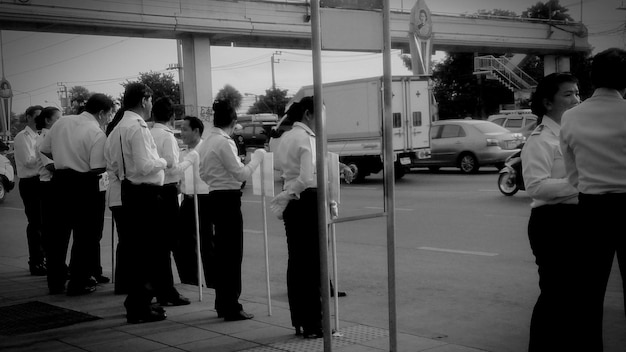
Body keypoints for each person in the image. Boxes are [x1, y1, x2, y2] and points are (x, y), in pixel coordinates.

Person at [560, 47, 626, 351]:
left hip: (591, 209)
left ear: (591, 78)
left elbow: (571, 172)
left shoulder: (571, 117)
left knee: (589, 293)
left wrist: (590, 187)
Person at [271, 97, 353, 339]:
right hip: (307, 202)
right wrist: (290, 193)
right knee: (313, 265)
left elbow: (287, 165)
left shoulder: (287, 137)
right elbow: (307, 177)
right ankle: (315, 325)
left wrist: (287, 193)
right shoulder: (306, 138)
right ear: (308, 114)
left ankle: (300, 322)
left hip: (295, 206)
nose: (324, 120)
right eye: (322, 114)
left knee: (297, 263)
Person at [520, 73, 581, 352]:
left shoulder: (575, 134)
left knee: (574, 300)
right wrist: (580, 186)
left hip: (577, 222)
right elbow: (536, 187)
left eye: (577, 93)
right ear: (547, 103)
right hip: (552, 224)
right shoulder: (540, 140)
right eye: (568, 94)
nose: (576, 99)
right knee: (555, 297)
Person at [105, 82, 170, 323]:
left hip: (127, 192)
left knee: (135, 252)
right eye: (150, 100)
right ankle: (140, 307)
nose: (152, 105)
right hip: (144, 194)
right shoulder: (138, 127)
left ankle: (137, 303)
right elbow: (145, 165)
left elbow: (111, 162)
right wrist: (164, 162)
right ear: (144, 100)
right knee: (147, 252)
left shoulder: (117, 128)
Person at [196, 99, 266, 321]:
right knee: (232, 256)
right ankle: (231, 306)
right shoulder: (225, 142)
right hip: (228, 200)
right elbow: (240, 174)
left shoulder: (207, 141)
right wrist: (256, 160)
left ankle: (222, 302)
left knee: (222, 255)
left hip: (214, 196)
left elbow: (202, 172)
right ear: (234, 121)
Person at [40, 94, 113, 295]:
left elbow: (44, 149)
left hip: (59, 182)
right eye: (108, 115)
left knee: (57, 236)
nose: (108, 119)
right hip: (86, 185)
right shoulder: (97, 133)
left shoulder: (62, 122)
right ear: (101, 113)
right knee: (86, 236)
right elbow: (97, 167)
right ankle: (78, 282)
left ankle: (55, 282)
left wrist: (64, 158)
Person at [149, 96, 190, 307]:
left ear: (153, 115)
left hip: (150, 191)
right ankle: (166, 291)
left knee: (156, 245)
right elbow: (173, 166)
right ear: (172, 117)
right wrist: (188, 162)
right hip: (167, 192)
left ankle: (158, 288)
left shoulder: (146, 133)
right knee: (167, 243)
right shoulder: (168, 137)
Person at [176, 115, 216, 288]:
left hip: (205, 201)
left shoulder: (206, 149)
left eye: (185, 129)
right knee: (184, 245)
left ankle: (214, 286)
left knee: (208, 246)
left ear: (196, 131)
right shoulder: (181, 152)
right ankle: (190, 283)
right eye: (181, 129)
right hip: (187, 200)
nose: (181, 133)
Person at [14, 105, 46, 276]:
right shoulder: (23, 136)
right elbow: (28, 161)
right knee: (35, 224)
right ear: (28, 118)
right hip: (30, 182)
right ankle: (36, 261)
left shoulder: (41, 136)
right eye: (37, 117)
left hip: (41, 181)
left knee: (45, 223)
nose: (39, 120)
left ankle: (44, 259)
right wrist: (46, 155)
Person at [34, 106, 61, 281]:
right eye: (58, 118)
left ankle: (57, 267)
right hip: (47, 185)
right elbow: (50, 164)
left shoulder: (54, 137)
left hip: (54, 184)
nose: (61, 121)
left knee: (58, 230)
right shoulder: (43, 138)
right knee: (52, 230)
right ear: (47, 121)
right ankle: (53, 269)